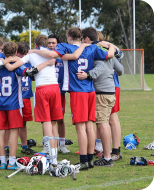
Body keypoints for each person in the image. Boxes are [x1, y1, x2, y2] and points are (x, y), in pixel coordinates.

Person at [28, 27, 116, 169]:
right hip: (91, 90)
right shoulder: (92, 47)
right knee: (90, 125)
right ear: (80, 36)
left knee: (80, 128)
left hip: (77, 91)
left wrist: (34, 50)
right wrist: (109, 44)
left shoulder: (65, 46)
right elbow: (110, 54)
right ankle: (89, 159)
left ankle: (83, 161)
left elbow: (51, 53)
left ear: (68, 36)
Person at [4, 35, 63, 165]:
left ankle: (51, 157)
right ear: (46, 44)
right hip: (55, 88)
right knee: (53, 124)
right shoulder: (51, 54)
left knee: (47, 123)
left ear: (35, 45)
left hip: (43, 89)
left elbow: (12, 66)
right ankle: (55, 155)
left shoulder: (31, 55)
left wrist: (5, 60)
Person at [75, 29, 124, 166]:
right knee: (106, 123)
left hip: (101, 93)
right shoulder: (109, 51)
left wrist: (88, 75)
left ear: (86, 38)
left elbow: (100, 67)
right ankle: (109, 153)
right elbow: (120, 70)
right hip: (110, 91)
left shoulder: (96, 50)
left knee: (102, 124)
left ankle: (107, 157)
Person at [42, 34, 70, 154]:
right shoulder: (44, 57)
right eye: (49, 43)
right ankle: (46, 144)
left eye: (53, 43)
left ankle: (62, 145)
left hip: (59, 93)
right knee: (46, 120)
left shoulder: (63, 57)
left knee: (60, 119)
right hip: (46, 91)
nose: (51, 45)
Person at [16, 42, 36, 155]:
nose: (23, 56)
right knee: (12, 124)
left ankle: (24, 146)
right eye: (21, 54)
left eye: (25, 54)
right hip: (16, 98)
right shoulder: (13, 63)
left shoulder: (29, 63)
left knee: (24, 123)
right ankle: (5, 146)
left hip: (26, 97)